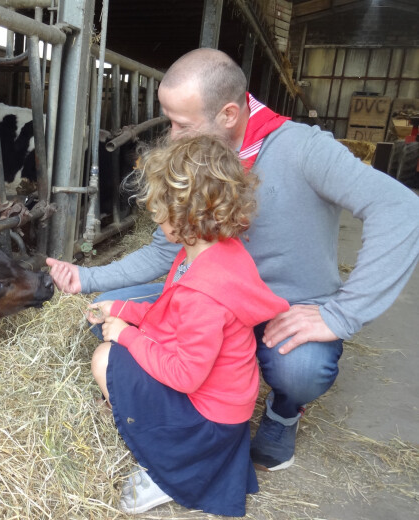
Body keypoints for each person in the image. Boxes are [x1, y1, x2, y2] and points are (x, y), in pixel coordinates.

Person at [48, 47, 419, 479]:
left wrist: (343, 313)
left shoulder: (303, 149)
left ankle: (283, 412)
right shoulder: (201, 159)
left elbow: (399, 208)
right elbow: (165, 249)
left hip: (284, 308)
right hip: (211, 298)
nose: (172, 136)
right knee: (108, 309)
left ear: (228, 113)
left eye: (181, 124)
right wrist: (88, 277)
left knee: (301, 370)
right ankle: (192, 405)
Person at [85, 133, 289, 516]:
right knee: (114, 337)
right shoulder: (212, 255)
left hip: (206, 422)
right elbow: (170, 318)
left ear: (181, 215)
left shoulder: (204, 291)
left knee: (105, 357)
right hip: (221, 409)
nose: (154, 215)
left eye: (158, 208)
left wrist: (125, 334)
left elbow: (185, 376)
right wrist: (125, 308)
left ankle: (162, 471)